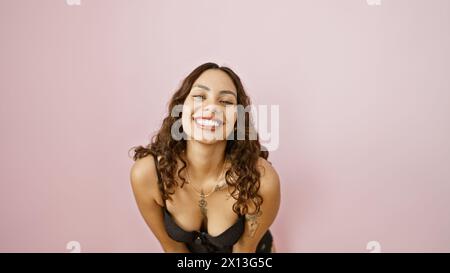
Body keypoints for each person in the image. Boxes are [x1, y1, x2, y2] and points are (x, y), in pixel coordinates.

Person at [129, 62, 280, 253]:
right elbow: (172, 248)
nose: (211, 109)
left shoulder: (261, 181)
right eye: (200, 97)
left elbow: (245, 253)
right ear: (181, 107)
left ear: (238, 119)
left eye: (226, 102)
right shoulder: (148, 175)